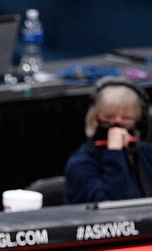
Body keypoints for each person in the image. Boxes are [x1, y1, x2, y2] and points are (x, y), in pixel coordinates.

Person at [64, 76, 152, 204]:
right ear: (94, 119)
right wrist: (114, 153)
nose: (118, 126)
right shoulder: (80, 164)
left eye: (126, 118)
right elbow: (112, 208)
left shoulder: (146, 154)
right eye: (109, 118)